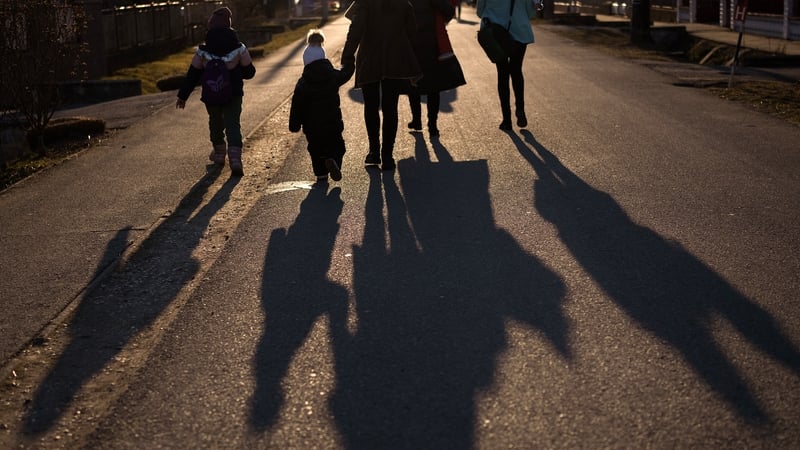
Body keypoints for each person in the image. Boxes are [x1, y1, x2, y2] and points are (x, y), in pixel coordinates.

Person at [341, 0, 423, 171]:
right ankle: (387, 156)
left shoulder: (365, 3)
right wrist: (414, 61)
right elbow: (413, 33)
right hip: (395, 59)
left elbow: (356, 29)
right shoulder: (404, 4)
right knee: (390, 107)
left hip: (370, 59)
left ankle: (374, 151)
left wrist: (348, 56)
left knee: (371, 106)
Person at [176, 6, 256, 176]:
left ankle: (219, 154)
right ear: (229, 26)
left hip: (212, 92)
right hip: (233, 93)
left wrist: (183, 96)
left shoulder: (203, 51)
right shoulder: (239, 48)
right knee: (232, 124)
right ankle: (235, 159)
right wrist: (235, 72)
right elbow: (250, 73)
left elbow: (193, 74)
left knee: (215, 122)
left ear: (210, 26)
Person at [289, 29, 352, 183]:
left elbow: (296, 106)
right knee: (338, 146)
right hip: (332, 122)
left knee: (316, 150)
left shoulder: (302, 84)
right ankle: (334, 160)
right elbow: (345, 74)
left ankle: (321, 174)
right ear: (323, 58)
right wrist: (350, 62)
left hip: (312, 127)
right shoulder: (332, 77)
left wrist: (294, 125)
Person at [476, 0, 536, 130]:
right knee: (516, 70)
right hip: (519, 30)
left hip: (495, 32)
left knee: (502, 73)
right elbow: (531, 11)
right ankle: (520, 109)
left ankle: (506, 119)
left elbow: (480, 11)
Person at [407, 0, 459, 137]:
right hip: (432, 44)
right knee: (433, 88)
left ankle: (416, 120)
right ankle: (432, 125)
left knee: (413, 84)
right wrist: (440, 20)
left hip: (411, 45)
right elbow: (449, 10)